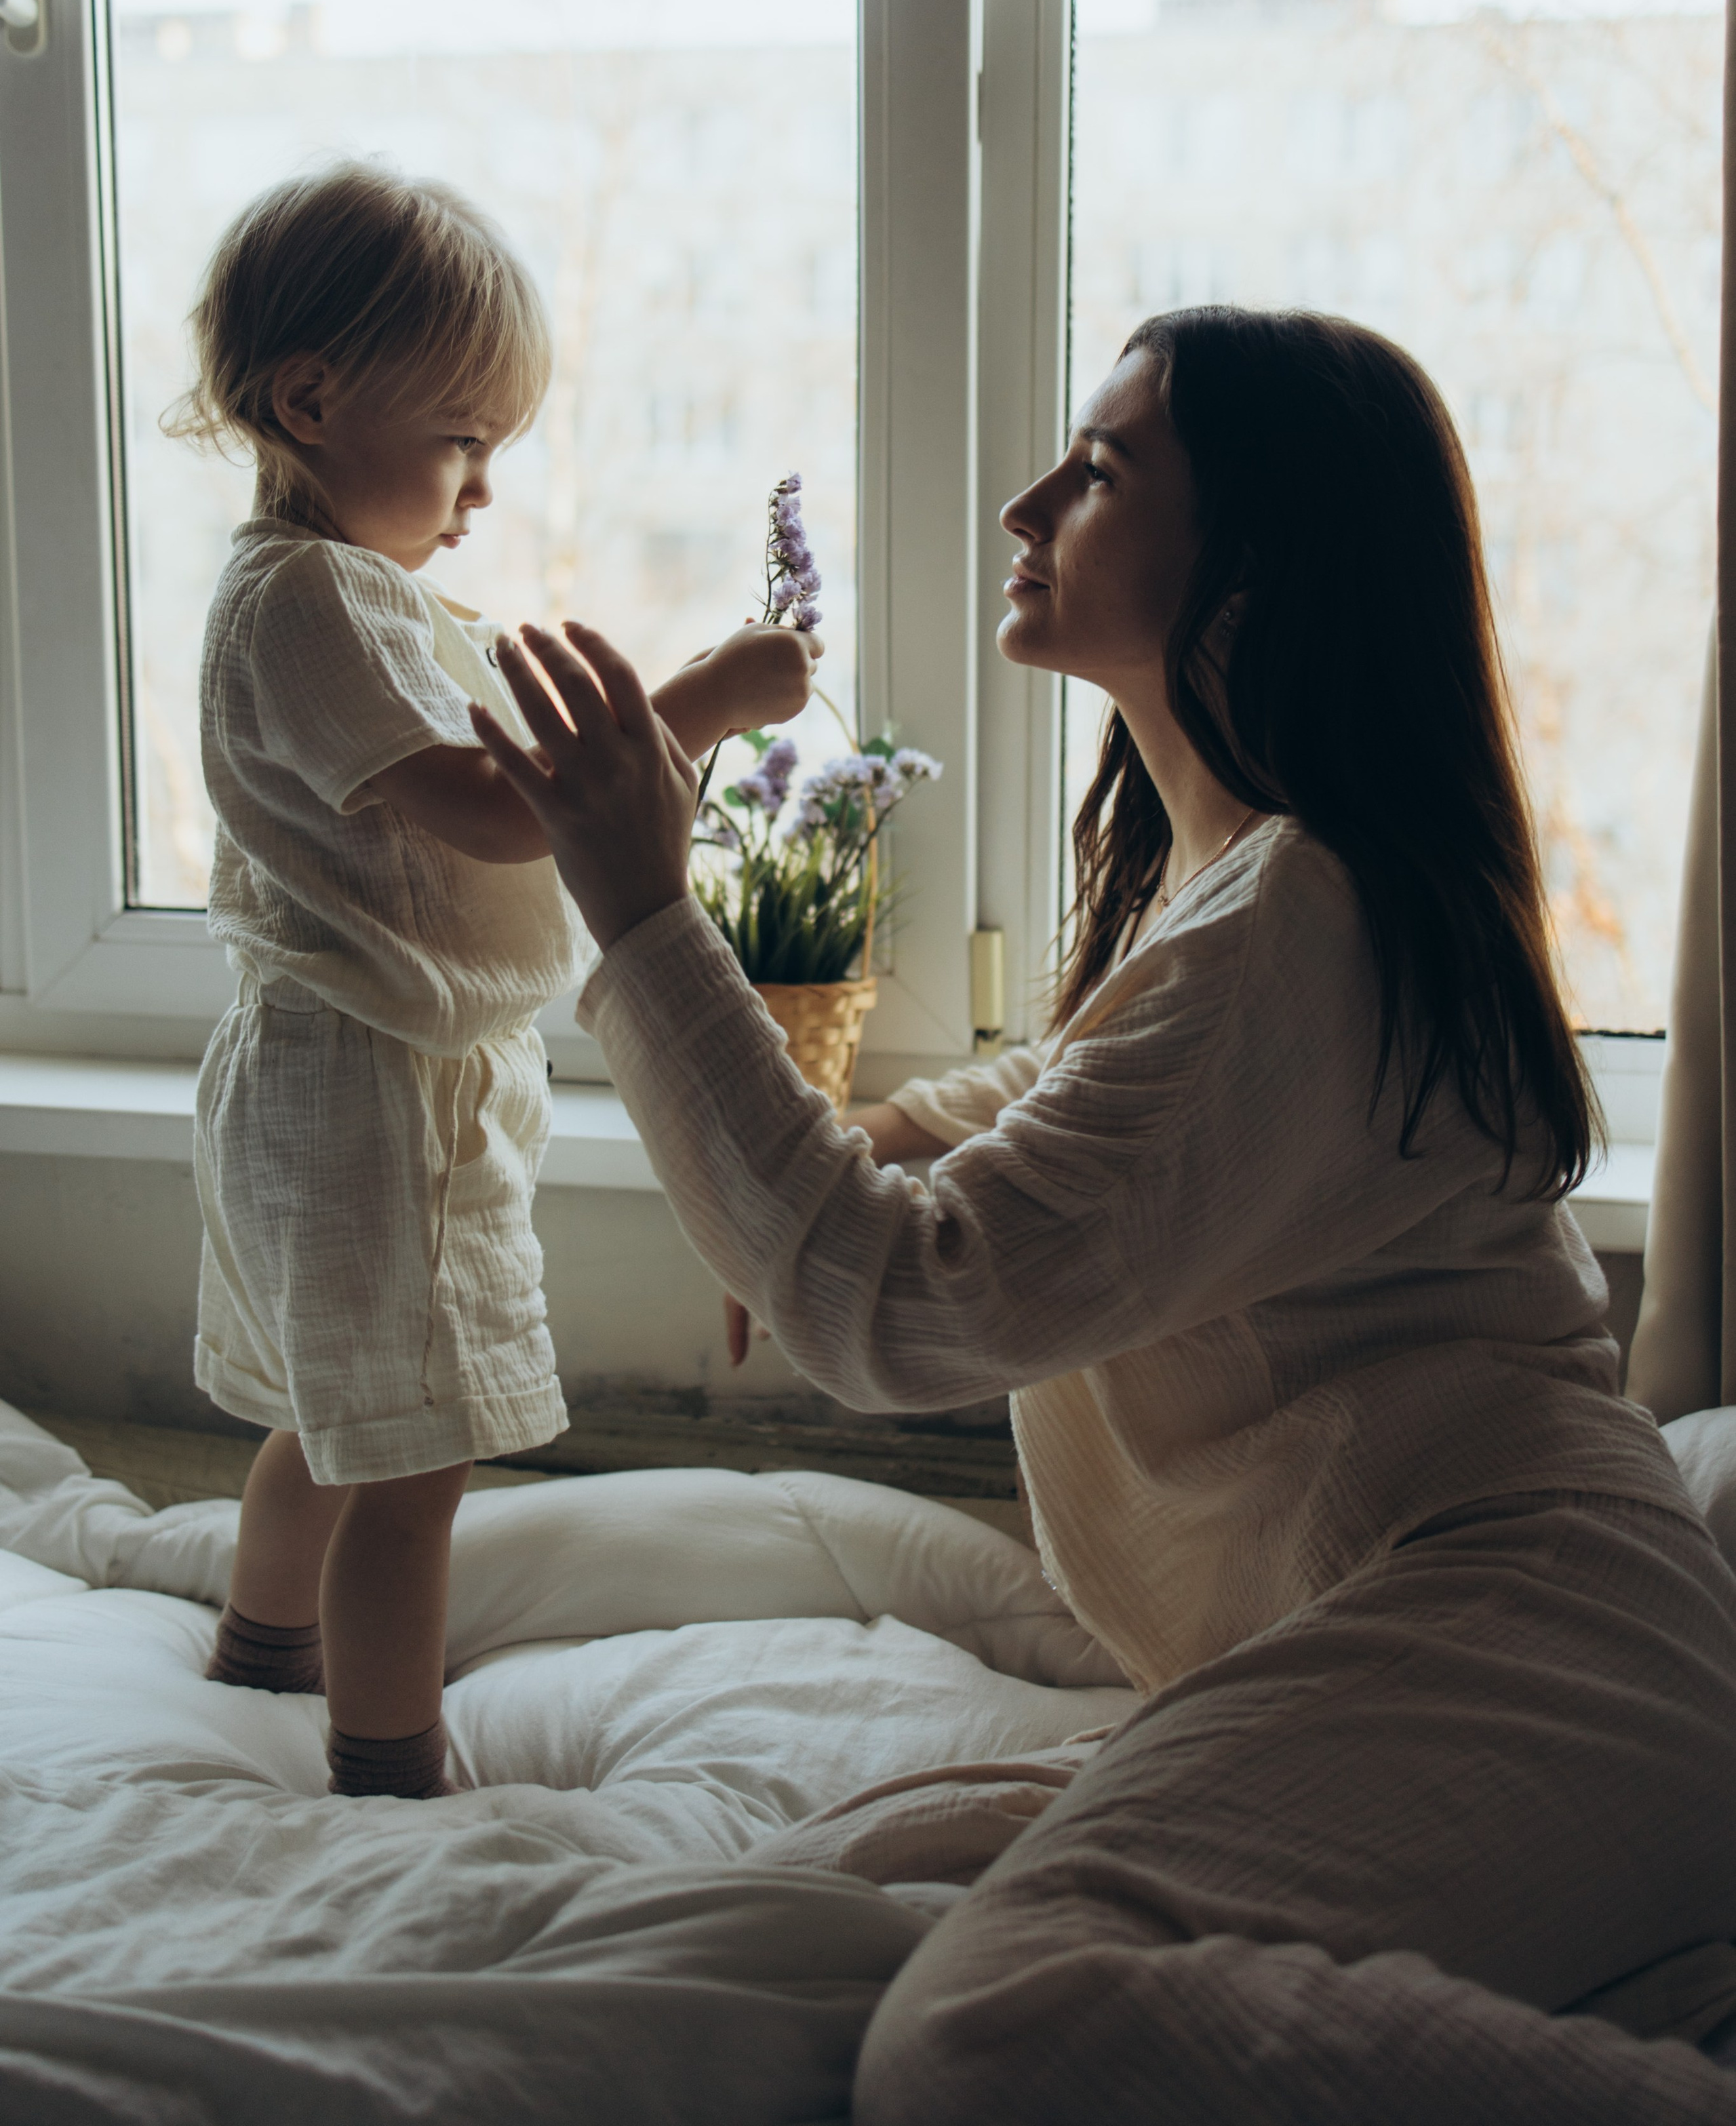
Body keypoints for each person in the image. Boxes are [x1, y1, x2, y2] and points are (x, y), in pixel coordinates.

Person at [473, 302, 1736, 2119]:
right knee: (845, 1868)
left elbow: (895, 1312)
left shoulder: (1305, 915)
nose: (1025, 501)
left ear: (1257, 556)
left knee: (980, 2034)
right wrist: (902, 1117)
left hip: (1544, 1648)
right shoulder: (1257, 888)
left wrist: (642, 908)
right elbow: (1104, 1110)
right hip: (1492, 1637)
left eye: (1100, 469)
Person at [173, 163, 818, 1802]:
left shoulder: (350, 593)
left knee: (339, 1415)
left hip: (353, 1068)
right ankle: (388, 1769)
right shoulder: (309, 599)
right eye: (461, 440)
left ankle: (260, 1654)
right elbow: (484, 812)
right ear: (309, 400)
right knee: (413, 1458)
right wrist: (695, 709)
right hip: (369, 1084)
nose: (479, 489)